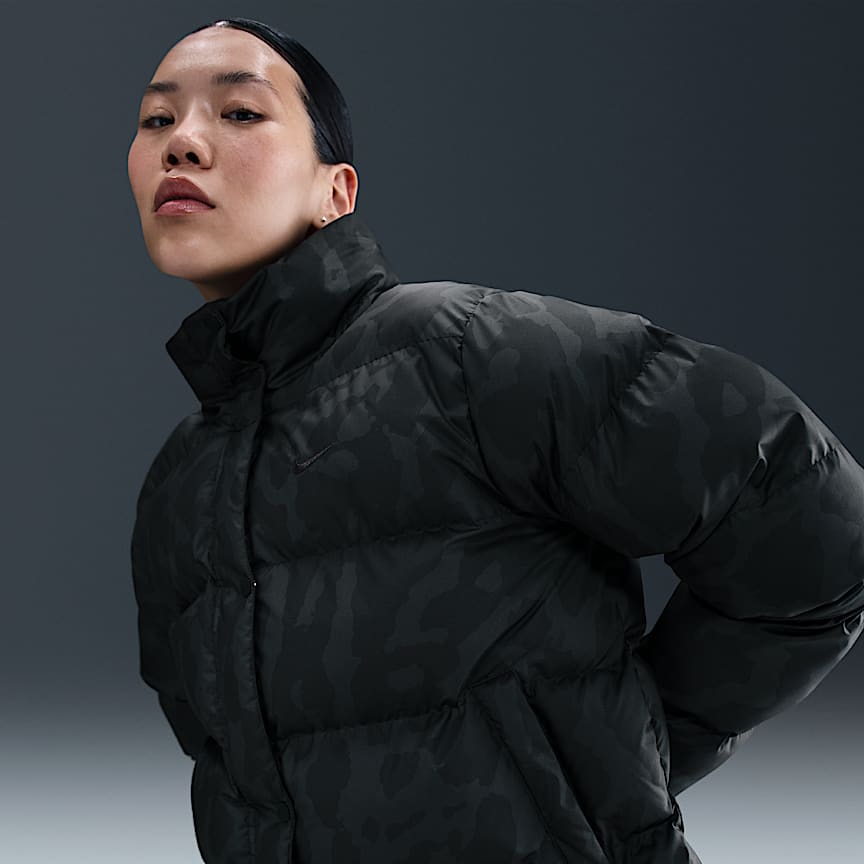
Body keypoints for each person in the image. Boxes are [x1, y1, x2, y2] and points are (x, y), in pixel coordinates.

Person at [127, 16, 864, 864]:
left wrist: (616, 756)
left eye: (240, 113)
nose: (182, 142)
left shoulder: (470, 355)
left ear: (337, 191)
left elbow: (814, 522)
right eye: (156, 119)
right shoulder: (180, 485)